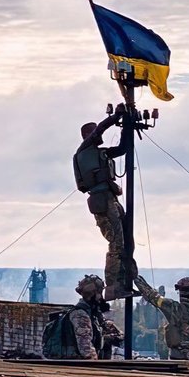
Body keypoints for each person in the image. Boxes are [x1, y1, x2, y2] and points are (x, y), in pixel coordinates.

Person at [73, 104, 130, 300]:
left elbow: (122, 149)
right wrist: (115, 118)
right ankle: (112, 288)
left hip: (110, 199)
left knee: (125, 240)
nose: (99, 136)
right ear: (88, 135)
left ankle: (125, 281)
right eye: (94, 132)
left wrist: (125, 127)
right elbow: (100, 130)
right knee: (115, 243)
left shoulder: (99, 153)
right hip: (102, 201)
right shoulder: (84, 150)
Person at [134, 274, 189, 368]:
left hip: (182, 361)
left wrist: (137, 279)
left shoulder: (176, 309)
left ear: (180, 293)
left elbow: (154, 297)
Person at [42, 274, 116, 360]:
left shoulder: (91, 314)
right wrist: (95, 367)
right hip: (76, 365)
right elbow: (86, 348)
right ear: (92, 294)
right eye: (99, 293)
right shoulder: (80, 315)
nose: (101, 297)